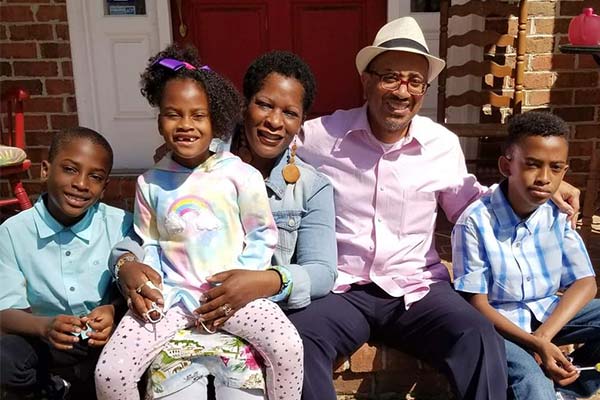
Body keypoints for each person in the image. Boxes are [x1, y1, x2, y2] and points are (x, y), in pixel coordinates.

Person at [286, 17, 581, 400]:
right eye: (390, 76)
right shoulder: (320, 137)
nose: (402, 90)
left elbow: (472, 205)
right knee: (299, 341)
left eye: (414, 81)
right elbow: (266, 147)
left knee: (477, 336)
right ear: (366, 79)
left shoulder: (441, 144)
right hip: (344, 290)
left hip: (418, 290)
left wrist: (540, 187)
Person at [110, 50, 337, 400]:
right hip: (175, 300)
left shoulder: (307, 184)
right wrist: (125, 265)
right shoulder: (173, 167)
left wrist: (261, 280)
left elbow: (322, 271)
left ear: (301, 120)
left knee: (291, 346)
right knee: (114, 370)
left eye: (289, 112)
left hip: (249, 303)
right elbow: (142, 238)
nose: (275, 121)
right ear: (241, 105)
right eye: (264, 104)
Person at [452, 111, 600, 400]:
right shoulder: (475, 222)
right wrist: (533, 344)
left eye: (555, 168)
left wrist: (543, 338)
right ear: (506, 166)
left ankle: (571, 389)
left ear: (564, 172)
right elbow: (476, 304)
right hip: (498, 327)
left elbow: (586, 282)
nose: (545, 178)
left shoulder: (557, 213)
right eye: (532, 165)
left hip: (545, 316)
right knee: (532, 382)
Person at [0, 127, 133, 399]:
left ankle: (80, 385)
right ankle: (57, 388)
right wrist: (45, 327)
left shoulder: (121, 224)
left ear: (104, 187)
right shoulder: (12, 232)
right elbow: (4, 312)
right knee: (5, 359)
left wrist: (112, 309)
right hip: (46, 338)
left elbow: (133, 287)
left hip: (104, 338)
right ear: (45, 170)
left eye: (95, 177)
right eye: (70, 169)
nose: (81, 184)